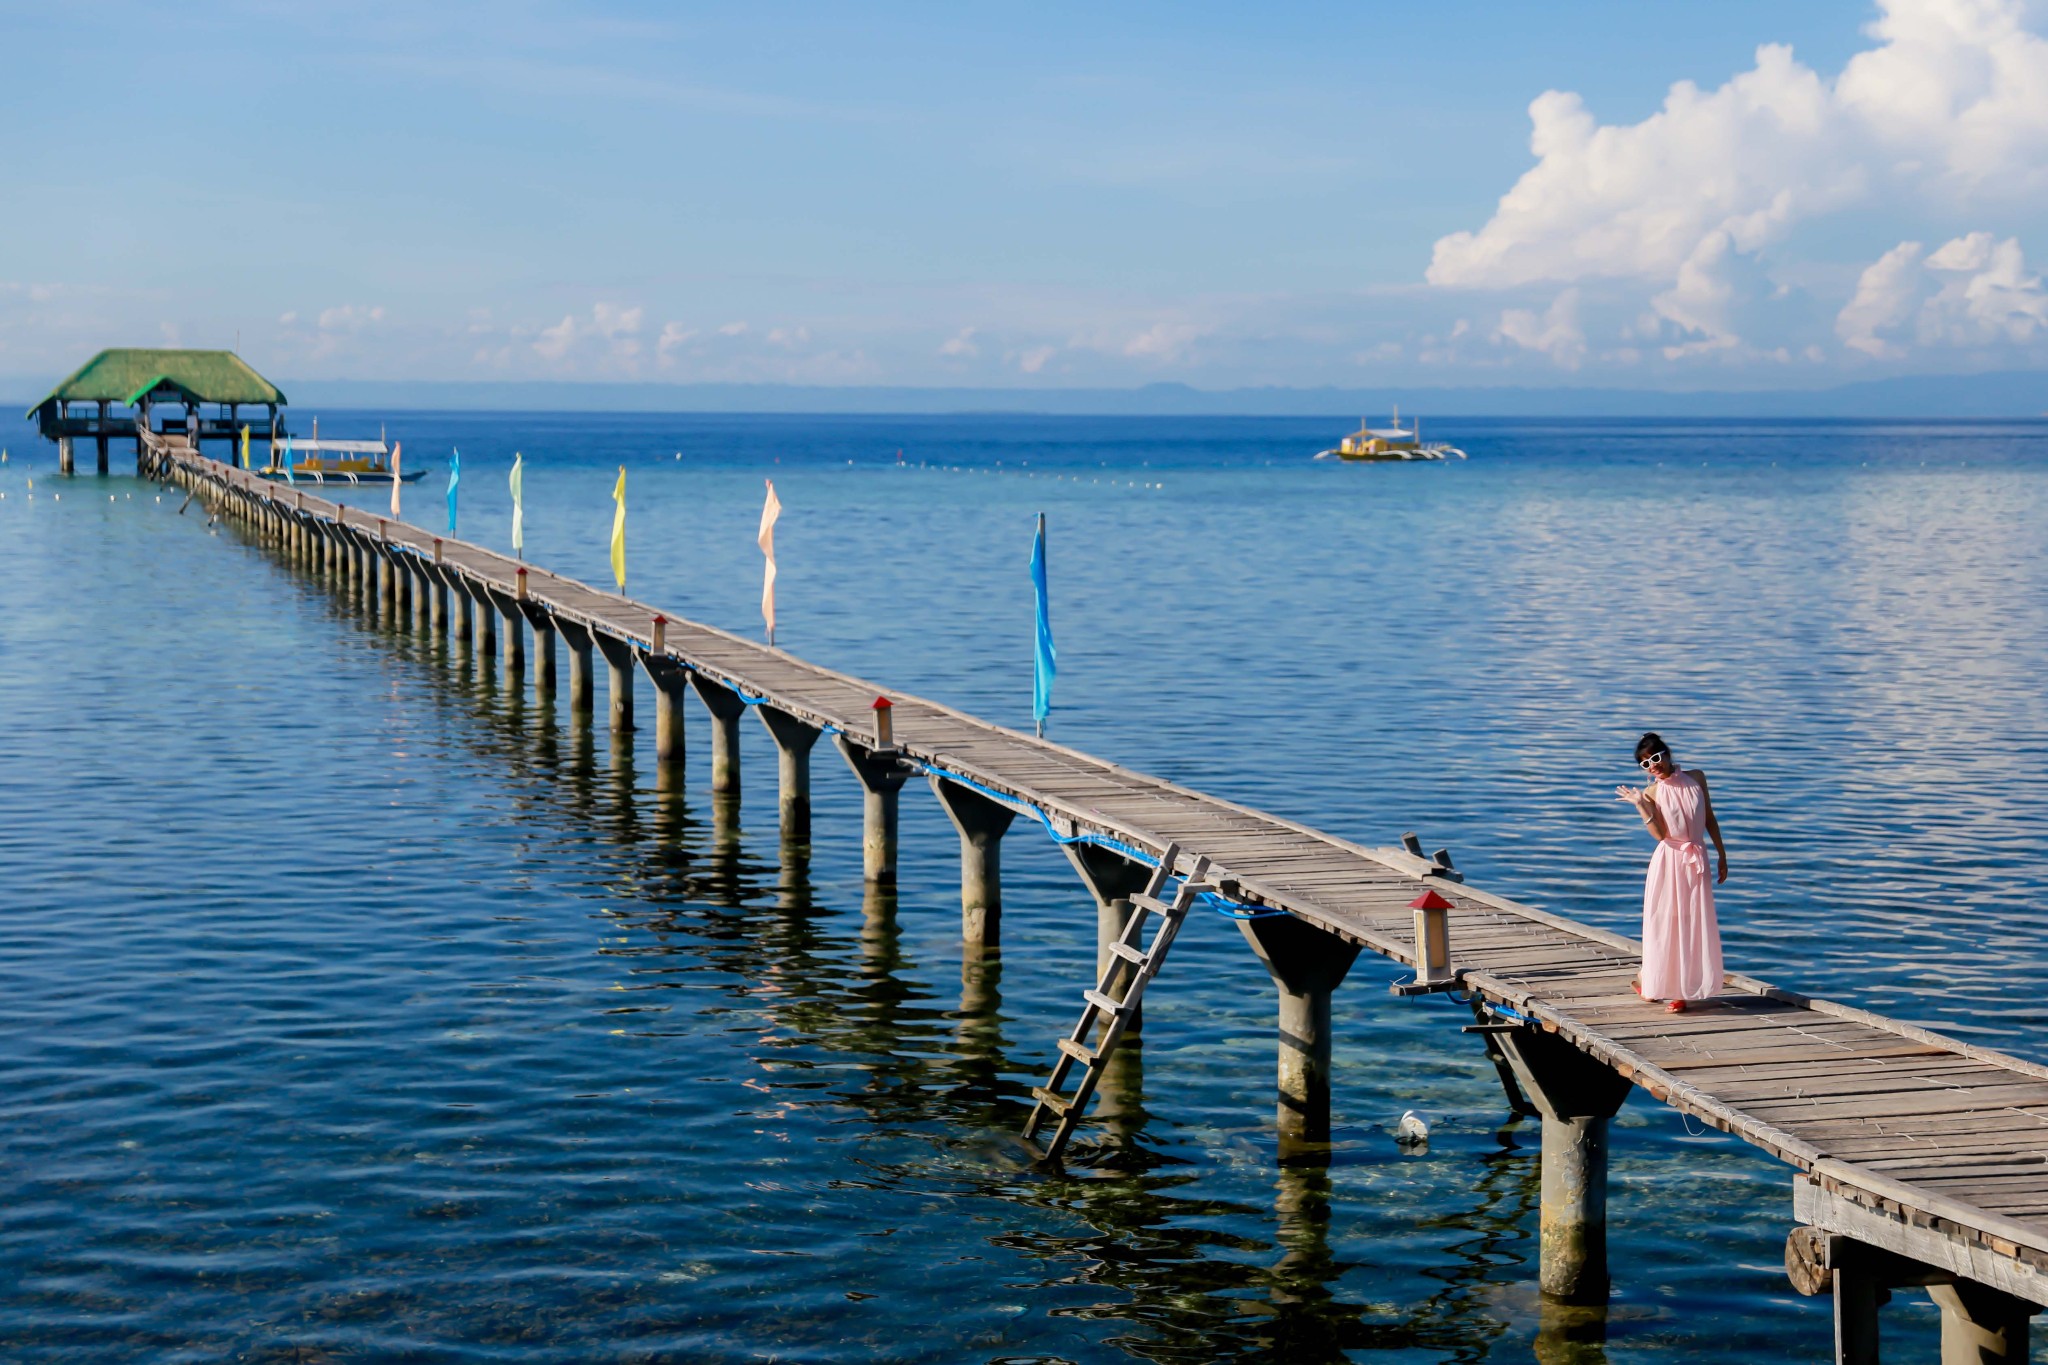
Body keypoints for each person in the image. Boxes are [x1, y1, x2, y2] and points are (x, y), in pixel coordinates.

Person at [1614, 732, 1728, 1012]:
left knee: (1692, 922)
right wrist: (1641, 805)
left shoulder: (1697, 777)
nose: (1653, 765)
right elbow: (1660, 835)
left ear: (1666, 754)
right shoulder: (1652, 793)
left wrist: (1722, 854)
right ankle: (1663, 985)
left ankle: (1665, 984)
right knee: (1667, 923)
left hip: (1696, 857)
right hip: (1670, 860)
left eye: (1655, 757)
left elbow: (1709, 817)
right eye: (1645, 764)